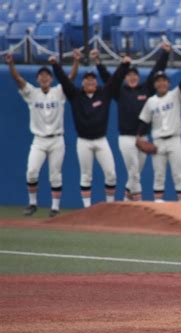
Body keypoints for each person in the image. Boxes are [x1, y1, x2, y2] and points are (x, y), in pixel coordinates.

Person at [90, 42, 171, 201]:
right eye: (129, 75)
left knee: (136, 174)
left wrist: (165, 54)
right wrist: (99, 62)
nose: (132, 77)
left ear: (138, 77)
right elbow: (109, 79)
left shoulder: (145, 89)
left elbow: (156, 71)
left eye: (135, 75)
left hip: (142, 137)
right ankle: (139, 203)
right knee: (133, 171)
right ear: (126, 77)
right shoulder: (120, 92)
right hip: (126, 138)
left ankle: (126, 200)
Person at [49, 54, 131, 208]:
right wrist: (55, 65)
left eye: (93, 79)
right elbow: (64, 81)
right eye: (87, 79)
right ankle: (87, 208)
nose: (91, 81)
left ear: (96, 81)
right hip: (84, 141)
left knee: (111, 174)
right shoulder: (75, 95)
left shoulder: (103, 93)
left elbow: (115, 80)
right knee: (86, 175)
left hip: (101, 140)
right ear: (83, 82)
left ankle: (110, 206)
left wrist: (124, 65)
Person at [5, 50, 80, 217]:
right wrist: (10, 64)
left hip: (56, 139)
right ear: (37, 79)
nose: (44, 78)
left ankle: (55, 207)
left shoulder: (59, 91)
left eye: (47, 75)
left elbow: (71, 78)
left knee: (55, 175)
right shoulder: (32, 93)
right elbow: (18, 80)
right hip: (39, 140)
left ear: (51, 79)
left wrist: (76, 62)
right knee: (31, 171)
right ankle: (32, 203)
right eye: (41, 75)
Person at [136, 59, 181, 202]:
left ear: (168, 83)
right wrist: (138, 138)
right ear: (155, 84)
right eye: (158, 81)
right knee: (159, 175)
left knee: (178, 174)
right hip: (158, 142)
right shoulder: (151, 101)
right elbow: (143, 121)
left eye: (164, 80)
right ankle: (159, 204)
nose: (161, 83)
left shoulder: (174, 95)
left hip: (174, 140)